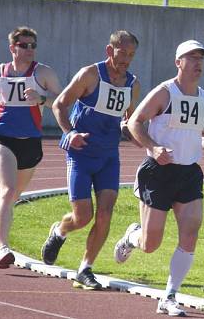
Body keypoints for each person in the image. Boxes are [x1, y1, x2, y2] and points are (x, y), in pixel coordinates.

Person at [112, 39, 204, 316]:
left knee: (190, 232)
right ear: (178, 62)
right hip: (158, 173)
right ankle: (132, 237)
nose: (198, 63)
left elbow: (200, 132)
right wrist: (152, 147)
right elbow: (134, 122)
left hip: (189, 173)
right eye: (192, 58)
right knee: (151, 244)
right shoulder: (165, 93)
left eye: (201, 58)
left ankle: (170, 295)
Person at [40, 30, 141, 290]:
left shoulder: (132, 84)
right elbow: (59, 105)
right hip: (81, 153)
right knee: (83, 217)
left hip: (109, 156)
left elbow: (130, 122)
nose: (126, 60)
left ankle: (85, 268)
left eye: (131, 55)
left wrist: (145, 140)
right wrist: (70, 133)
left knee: (105, 214)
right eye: (122, 53)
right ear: (110, 50)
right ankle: (59, 231)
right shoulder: (90, 75)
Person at [0, 26, 62, 269]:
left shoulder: (43, 73)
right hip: (2, 139)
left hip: (30, 142)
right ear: (13, 48)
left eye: (33, 46)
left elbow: (63, 102)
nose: (29, 50)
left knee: (11, 197)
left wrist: (41, 99)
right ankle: (3, 248)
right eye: (24, 45)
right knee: (8, 191)